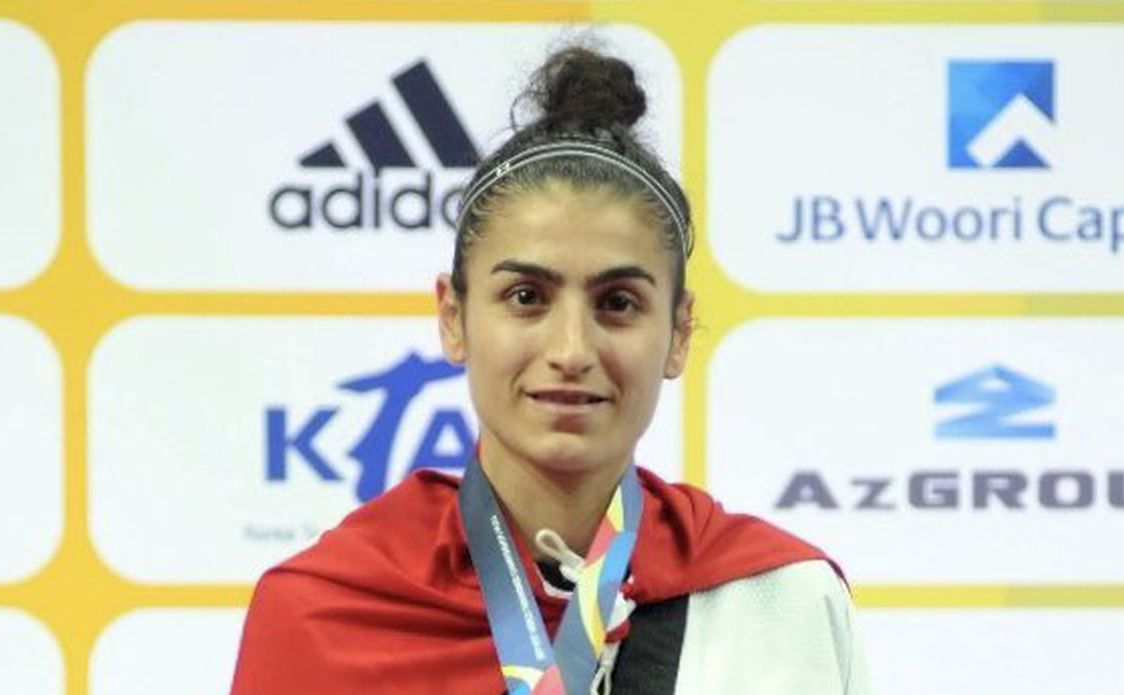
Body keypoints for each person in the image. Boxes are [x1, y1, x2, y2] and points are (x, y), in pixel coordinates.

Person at [230, 46, 870, 695]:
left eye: (617, 303)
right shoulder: (323, 614)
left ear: (678, 333)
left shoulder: (782, 603)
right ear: (453, 318)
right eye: (526, 296)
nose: (571, 349)